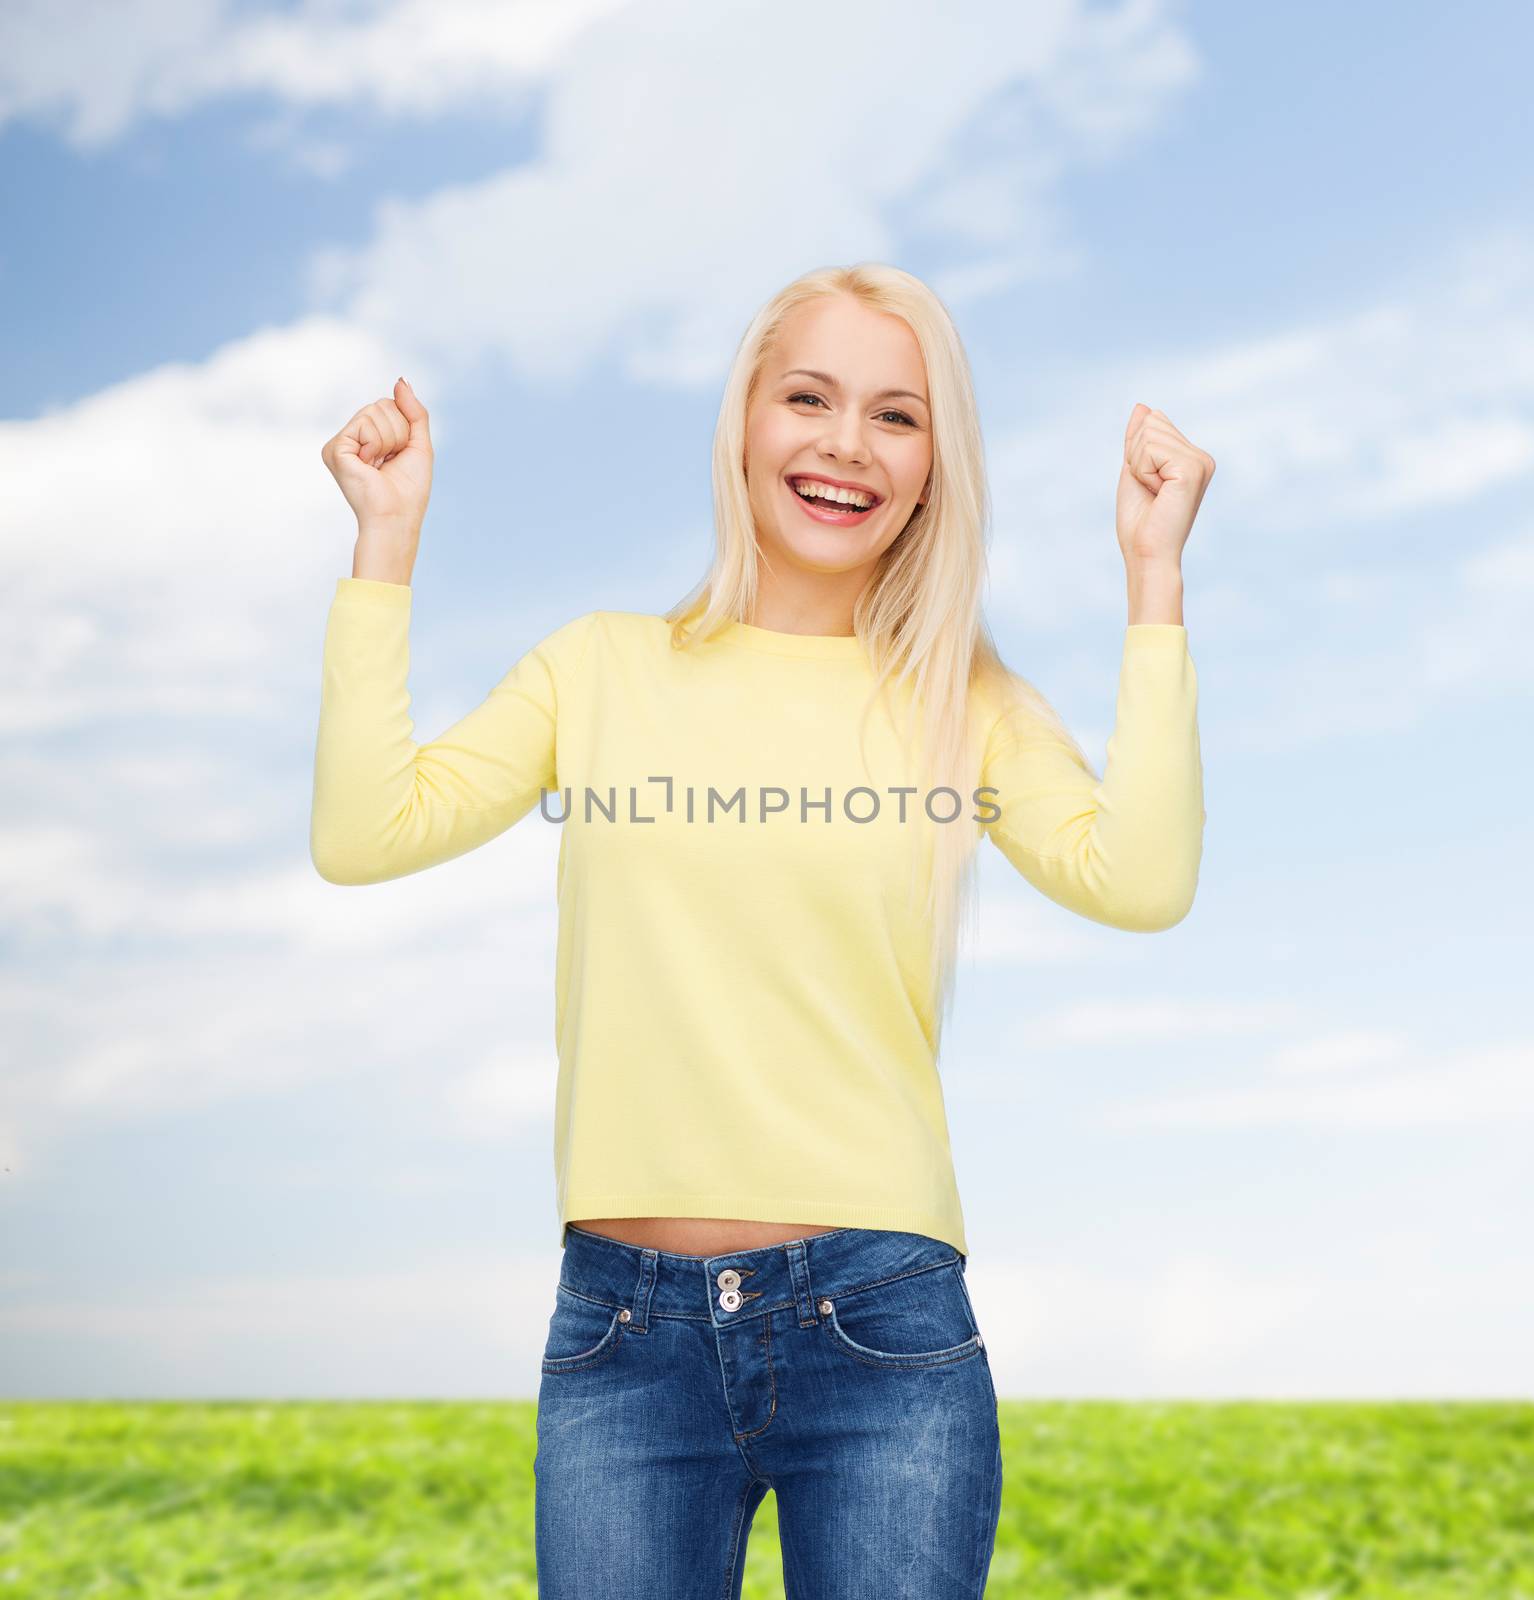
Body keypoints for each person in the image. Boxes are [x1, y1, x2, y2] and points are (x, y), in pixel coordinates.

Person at [311, 261, 1211, 1598]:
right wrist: (385, 544)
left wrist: (1152, 580)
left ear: (931, 469)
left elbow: (1136, 880)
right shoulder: (598, 667)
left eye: (896, 417)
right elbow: (364, 833)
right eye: (809, 398)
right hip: (623, 1333)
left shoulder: (961, 698)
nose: (846, 445)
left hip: (881, 1325)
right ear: (744, 422)